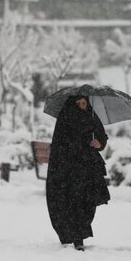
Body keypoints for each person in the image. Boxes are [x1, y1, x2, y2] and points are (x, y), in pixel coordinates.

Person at [45, 95, 110, 251]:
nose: (82, 106)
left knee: (87, 203)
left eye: (85, 103)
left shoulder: (92, 116)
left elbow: (102, 137)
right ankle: (77, 236)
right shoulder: (65, 118)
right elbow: (60, 145)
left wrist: (99, 143)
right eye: (79, 103)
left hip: (88, 169)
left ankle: (78, 232)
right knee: (73, 203)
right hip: (69, 171)